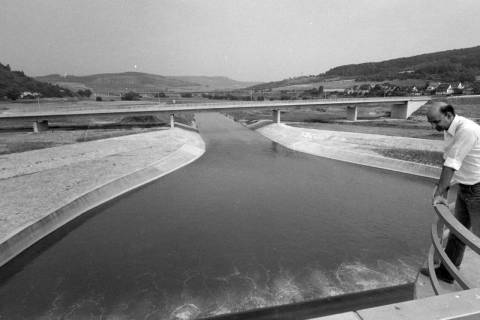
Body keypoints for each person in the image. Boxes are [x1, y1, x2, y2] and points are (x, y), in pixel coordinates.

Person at [420, 101, 480, 283]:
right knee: (457, 231)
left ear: (448, 115)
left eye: (436, 121)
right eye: (430, 122)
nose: (433, 126)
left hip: (477, 189)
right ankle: (447, 273)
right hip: (466, 186)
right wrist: (443, 189)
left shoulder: (466, 130)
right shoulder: (449, 130)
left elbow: (452, 164)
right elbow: (448, 160)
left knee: (477, 236)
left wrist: (439, 193)